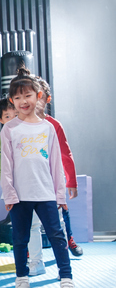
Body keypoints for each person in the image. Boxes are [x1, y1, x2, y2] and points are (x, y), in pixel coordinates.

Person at [0, 67, 75, 288]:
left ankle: (66, 279)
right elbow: (7, 165)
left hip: (46, 194)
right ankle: (21, 277)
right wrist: (9, 194)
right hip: (21, 196)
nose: (23, 101)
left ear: (37, 96)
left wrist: (59, 195)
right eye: (18, 97)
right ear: (12, 101)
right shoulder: (10, 129)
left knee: (57, 236)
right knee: (20, 239)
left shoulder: (48, 128)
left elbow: (55, 165)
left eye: (28, 95)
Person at [0, 97, 46, 276]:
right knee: (22, 228)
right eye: (7, 116)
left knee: (38, 226)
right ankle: (26, 263)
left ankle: (38, 261)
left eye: (15, 114)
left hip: (37, 186)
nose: (12, 119)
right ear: (1, 119)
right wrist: (8, 192)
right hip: (16, 189)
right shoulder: (0, 141)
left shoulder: (33, 132)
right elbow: (2, 169)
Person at [34, 75, 84, 257]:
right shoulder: (21, 124)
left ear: (47, 99)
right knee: (30, 220)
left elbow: (66, 154)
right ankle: (31, 254)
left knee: (61, 212)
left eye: (40, 96)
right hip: (31, 179)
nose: (35, 101)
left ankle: (68, 239)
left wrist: (71, 181)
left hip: (52, 179)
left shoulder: (54, 125)